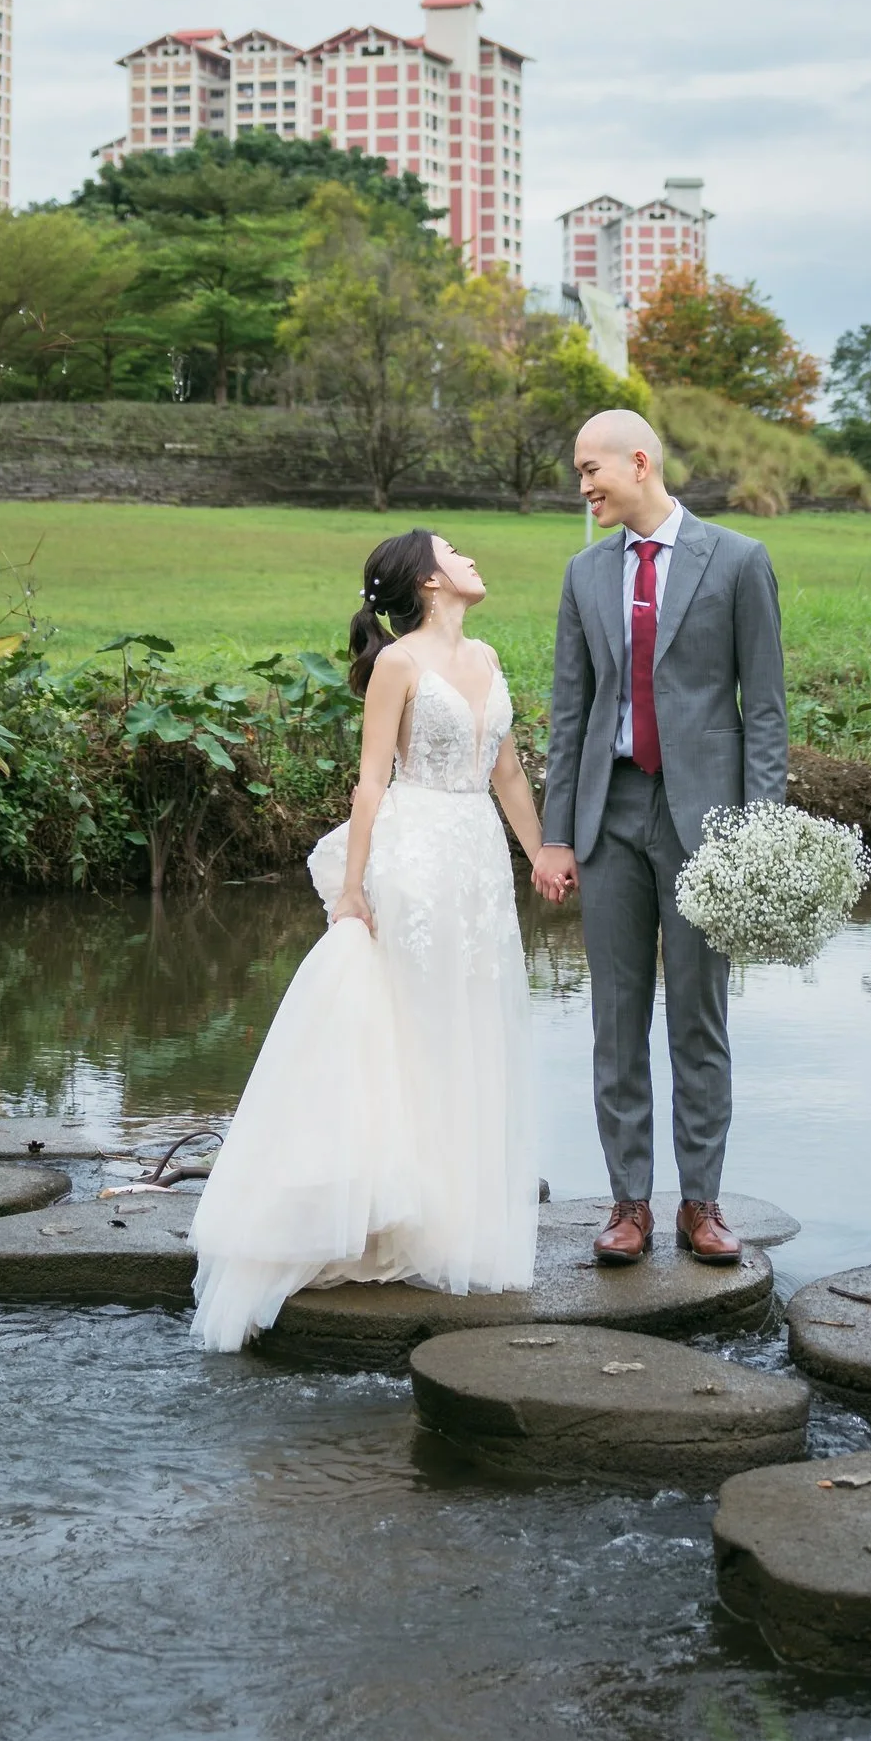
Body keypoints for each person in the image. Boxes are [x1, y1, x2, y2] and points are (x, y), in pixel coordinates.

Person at [189, 528, 543, 1351]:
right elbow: (371, 778)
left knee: (471, 1024)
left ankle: (450, 1216)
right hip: (415, 852)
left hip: (479, 861)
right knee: (412, 1023)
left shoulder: (488, 657)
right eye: (458, 552)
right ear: (428, 579)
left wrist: (541, 854)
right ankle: (387, 1208)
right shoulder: (398, 664)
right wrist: (352, 886)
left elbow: (510, 773)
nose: (474, 560)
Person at [531, 409, 787, 1267]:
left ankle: (702, 1204)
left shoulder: (740, 562)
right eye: (578, 473)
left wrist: (757, 837)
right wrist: (557, 836)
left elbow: (766, 716)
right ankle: (630, 1205)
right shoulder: (583, 574)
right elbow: (569, 715)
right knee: (615, 1018)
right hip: (610, 818)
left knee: (700, 1019)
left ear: (639, 462)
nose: (583, 486)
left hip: (705, 822)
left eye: (590, 469)